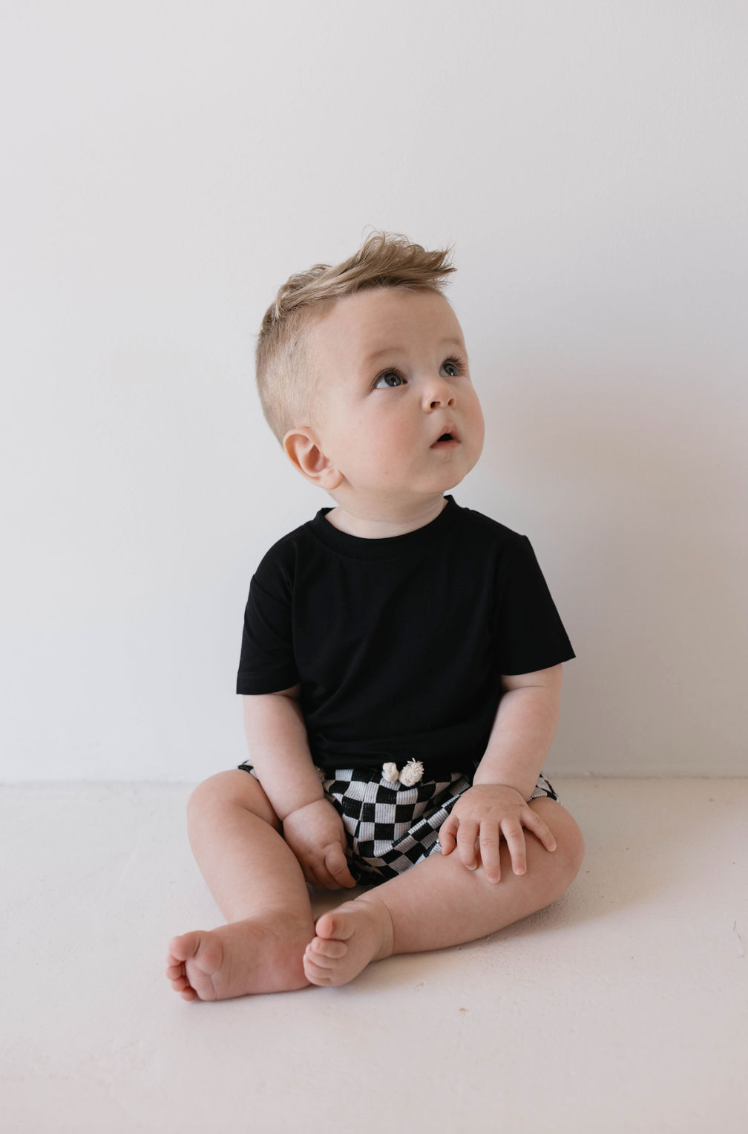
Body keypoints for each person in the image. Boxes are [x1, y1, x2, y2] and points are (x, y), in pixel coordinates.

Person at [165, 230, 586, 1002]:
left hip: (453, 805)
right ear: (317, 457)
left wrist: (498, 790)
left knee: (555, 843)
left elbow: (532, 687)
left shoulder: (499, 558)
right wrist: (297, 807)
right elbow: (271, 702)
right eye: (393, 377)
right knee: (218, 801)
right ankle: (273, 922)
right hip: (322, 794)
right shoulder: (289, 570)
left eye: (453, 365)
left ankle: (389, 922)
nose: (441, 391)